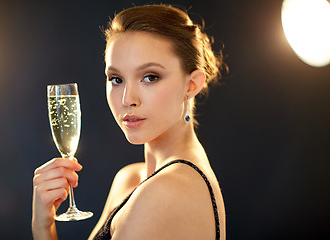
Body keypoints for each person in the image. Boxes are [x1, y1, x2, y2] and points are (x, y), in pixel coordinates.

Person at [32, 4, 226, 240]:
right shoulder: (131, 179)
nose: (127, 99)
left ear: (192, 84)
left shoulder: (170, 191)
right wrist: (44, 224)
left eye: (150, 77)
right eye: (116, 79)